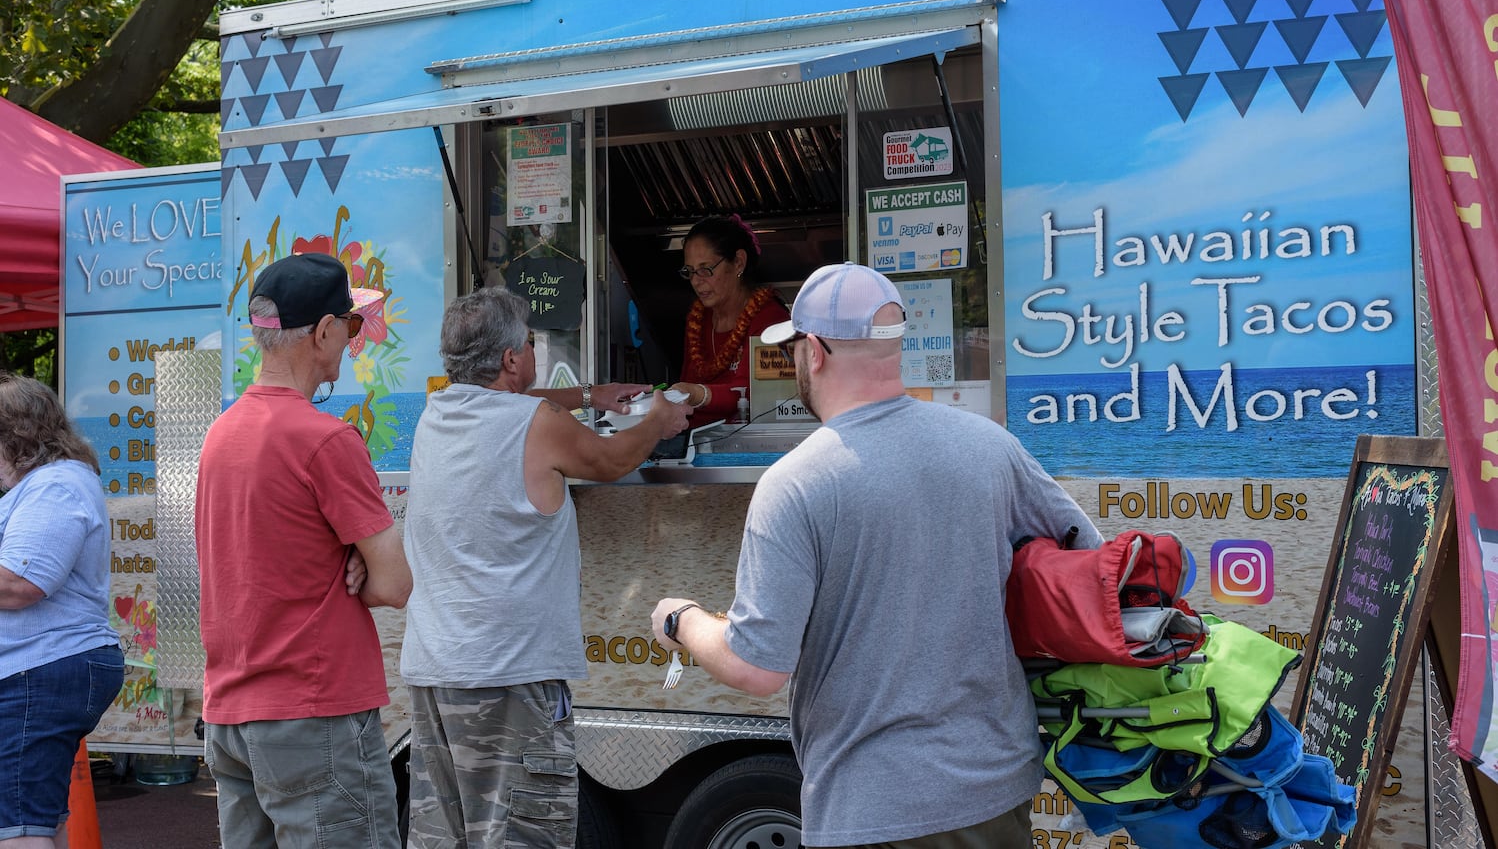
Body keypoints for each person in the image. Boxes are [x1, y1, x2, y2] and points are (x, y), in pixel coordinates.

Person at [651, 262, 1104, 848]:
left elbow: (756, 668)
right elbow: (1087, 560)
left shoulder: (796, 482)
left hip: (872, 804)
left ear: (812, 351)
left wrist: (678, 619)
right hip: (996, 790)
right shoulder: (991, 446)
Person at [400, 286, 692, 848]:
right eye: (528, 344)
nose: (530, 353)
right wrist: (657, 420)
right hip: (509, 676)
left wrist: (589, 395)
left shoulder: (436, 412)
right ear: (512, 358)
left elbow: (511, 402)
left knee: (448, 837)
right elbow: (609, 459)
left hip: (436, 673)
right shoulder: (536, 422)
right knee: (522, 835)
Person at [194, 251, 413, 849]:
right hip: (314, 711)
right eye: (350, 325)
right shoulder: (326, 439)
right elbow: (395, 586)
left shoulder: (221, 433)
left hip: (232, 713)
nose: (351, 340)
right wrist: (362, 561)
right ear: (322, 331)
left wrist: (352, 557)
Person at [0, 374, 125, 849]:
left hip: (37, 668)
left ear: (13, 436)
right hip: (40, 668)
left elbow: (21, 583)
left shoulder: (54, 486)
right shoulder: (54, 482)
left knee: (18, 828)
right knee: (35, 820)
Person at [669, 214, 790, 426]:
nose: (697, 281)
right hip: (699, 446)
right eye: (690, 272)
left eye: (706, 269)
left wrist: (697, 394)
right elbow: (686, 390)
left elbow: (752, 393)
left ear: (738, 263)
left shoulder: (770, 317)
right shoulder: (698, 319)